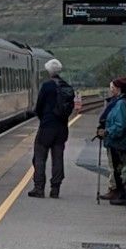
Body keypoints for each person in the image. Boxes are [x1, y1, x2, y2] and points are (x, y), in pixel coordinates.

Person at [29, 59, 75, 198]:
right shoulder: (67, 86)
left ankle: (39, 188)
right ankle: (55, 189)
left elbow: (39, 107)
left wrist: (44, 118)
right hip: (61, 129)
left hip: (47, 127)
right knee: (58, 158)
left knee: (39, 157)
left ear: (49, 71)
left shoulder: (47, 86)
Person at [98, 77, 126, 202]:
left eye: (113, 88)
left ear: (119, 89)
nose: (111, 90)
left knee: (118, 168)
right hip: (117, 141)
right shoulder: (121, 101)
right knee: (117, 168)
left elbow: (121, 124)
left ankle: (121, 194)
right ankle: (118, 193)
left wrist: (107, 131)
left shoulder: (121, 104)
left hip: (119, 142)